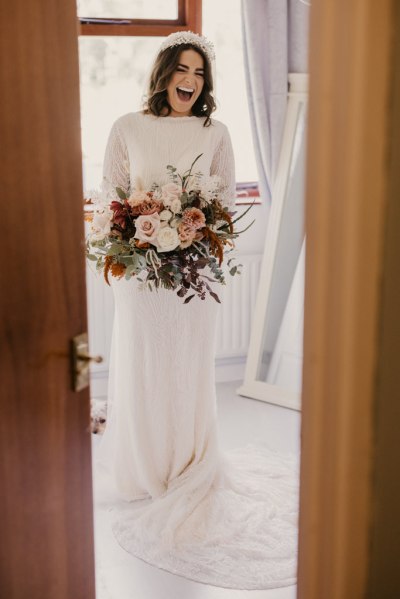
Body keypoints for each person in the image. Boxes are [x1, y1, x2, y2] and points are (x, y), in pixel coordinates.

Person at [95, 31, 298, 590]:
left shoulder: (217, 132)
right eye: (183, 70)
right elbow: (111, 194)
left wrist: (195, 234)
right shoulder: (126, 128)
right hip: (140, 277)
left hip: (191, 277)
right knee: (143, 368)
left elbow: (227, 205)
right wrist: (130, 244)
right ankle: (144, 469)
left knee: (185, 369)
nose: (191, 81)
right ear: (164, 74)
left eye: (200, 73)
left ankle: (187, 465)